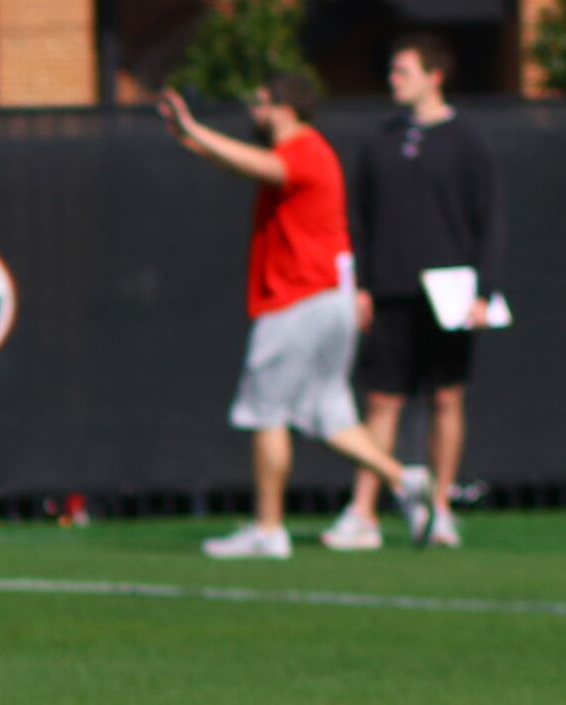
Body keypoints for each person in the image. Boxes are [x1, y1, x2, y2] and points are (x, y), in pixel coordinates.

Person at [162, 74, 430, 559]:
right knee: (331, 416)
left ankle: (269, 529)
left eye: (263, 104)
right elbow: (250, 166)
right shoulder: (304, 153)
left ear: (286, 109)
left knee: (267, 413)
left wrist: (197, 132)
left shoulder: (303, 149)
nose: (256, 113)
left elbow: (261, 165)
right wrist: (191, 140)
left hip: (297, 299)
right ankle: (405, 479)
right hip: (328, 299)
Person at [330, 33, 503, 550]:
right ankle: (364, 513)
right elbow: (355, 219)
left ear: (434, 76)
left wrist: (484, 292)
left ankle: (441, 510)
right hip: (389, 291)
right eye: (392, 70)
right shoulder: (379, 142)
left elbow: (490, 220)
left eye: (403, 71)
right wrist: (361, 285)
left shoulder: (468, 140)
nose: (393, 80)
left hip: (451, 294)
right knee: (382, 402)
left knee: (447, 398)